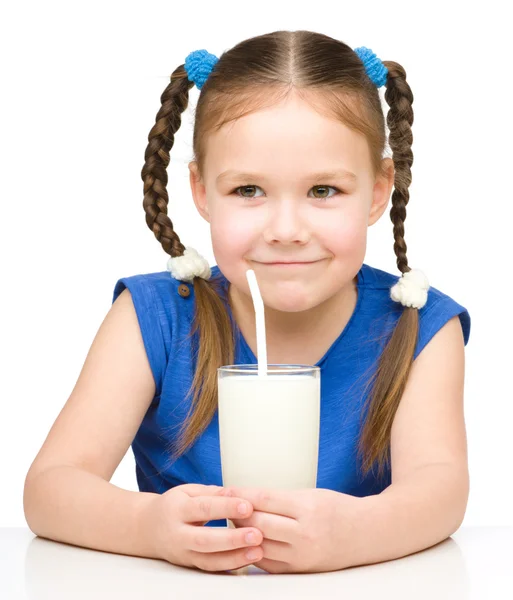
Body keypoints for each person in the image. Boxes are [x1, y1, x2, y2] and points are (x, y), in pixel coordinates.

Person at [24, 30, 471, 575]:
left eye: (324, 190)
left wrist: (355, 533)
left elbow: (440, 489)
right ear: (202, 191)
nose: (285, 230)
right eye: (248, 191)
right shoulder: (154, 318)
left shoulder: (419, 328)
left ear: (379, 190)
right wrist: (148, 527)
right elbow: (50, 488)